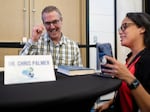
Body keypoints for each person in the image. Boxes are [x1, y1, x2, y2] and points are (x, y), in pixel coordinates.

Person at [95, 12, 150, 112]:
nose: (120, 32)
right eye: (120, 28)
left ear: (142, 28)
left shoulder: (147, 60)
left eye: (125, 26)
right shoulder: (130, 58)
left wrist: (128, 77)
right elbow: (127, 92)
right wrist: (110, 102)